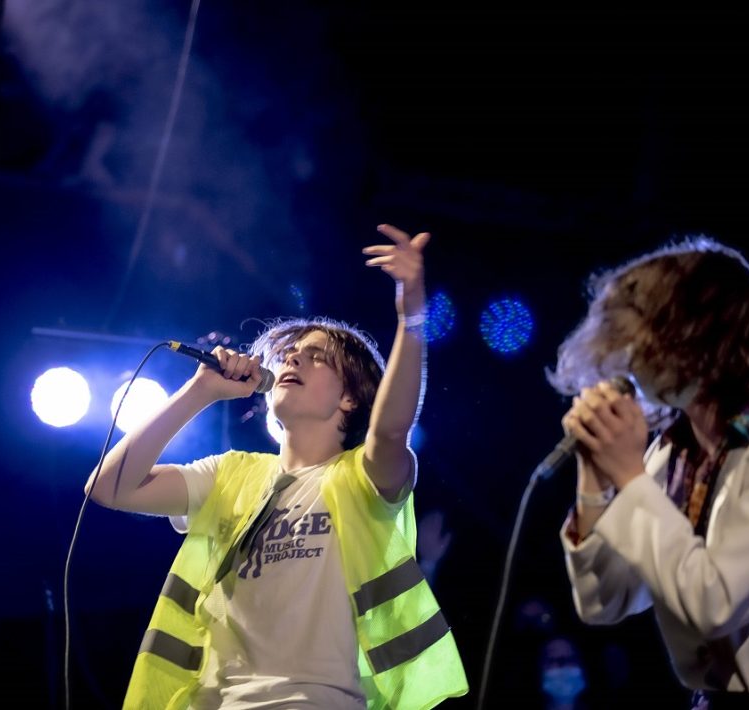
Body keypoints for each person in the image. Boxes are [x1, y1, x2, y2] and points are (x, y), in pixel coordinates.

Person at [86, 224, 468, 709]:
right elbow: (109, 488)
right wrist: (199, 392)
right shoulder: (231, 473)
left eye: (317, 358)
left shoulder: (360, 476)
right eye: (290, 353)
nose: (293, 359)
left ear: (350, 399)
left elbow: (391, 431)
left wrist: (412, 315)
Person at [549, 236, 749, 709]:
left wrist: (629, 476)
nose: (628, 361)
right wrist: (595, 475)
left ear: (696, 338)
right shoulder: (673, 450)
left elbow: (714, 603)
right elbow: (604, 602)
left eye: (640, 341)